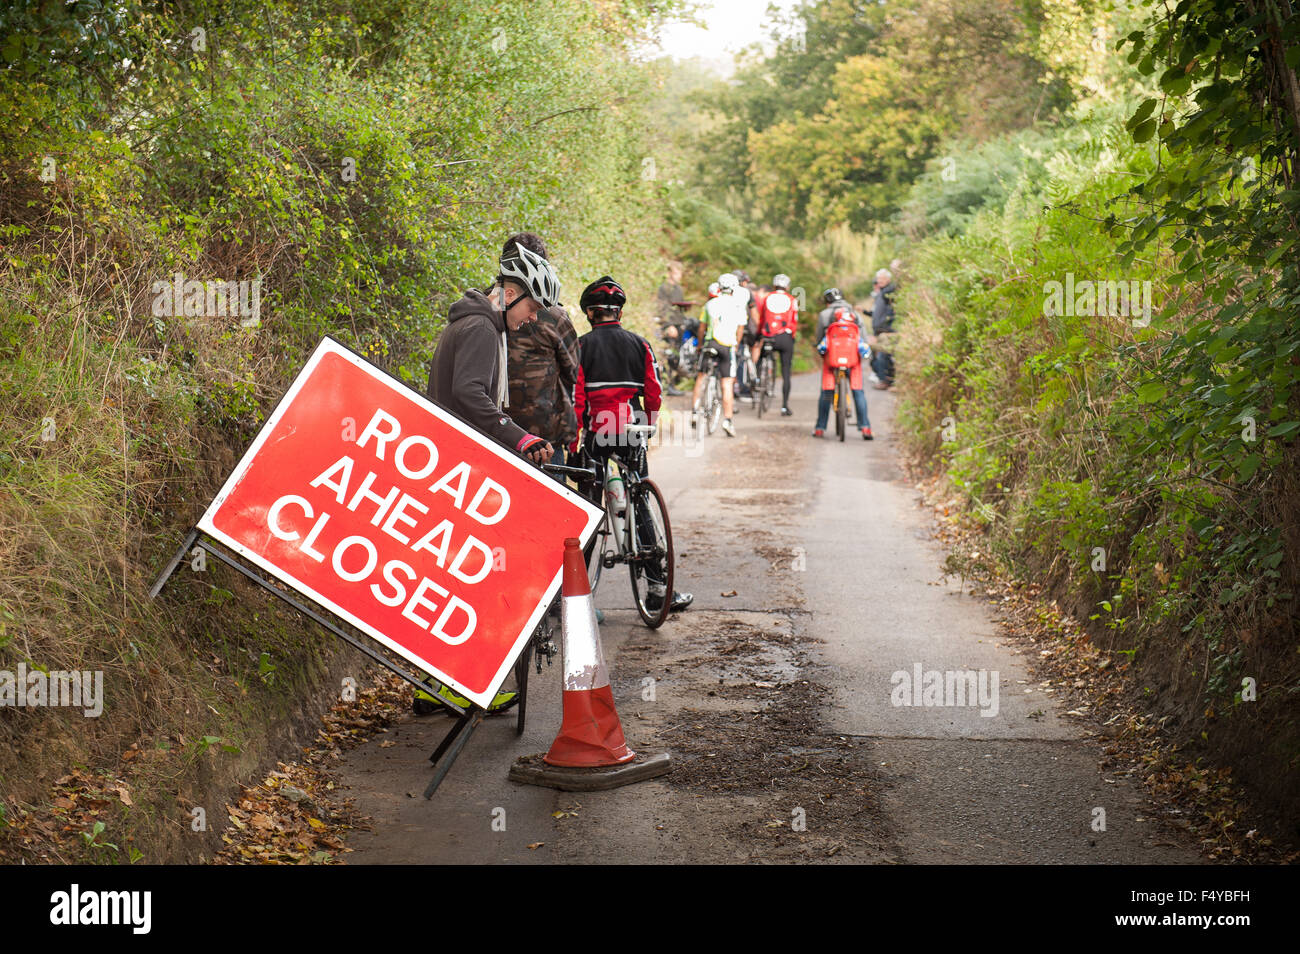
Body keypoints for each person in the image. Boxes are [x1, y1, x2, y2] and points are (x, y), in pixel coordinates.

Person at [417, 236, 562, 716]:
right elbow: (470, 393)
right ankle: (462, 685)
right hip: (458, 466)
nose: (533, 317)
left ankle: (430, 685)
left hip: (451, 460)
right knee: (468, 579)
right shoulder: (481, 327)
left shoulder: (474, 322)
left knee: (446, 576)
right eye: (533, 306)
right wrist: (521, 439)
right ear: (513, 292)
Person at [569, 276, 693, 614]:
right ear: (618, 312)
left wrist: (573, 438)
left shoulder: (581, 346)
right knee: (639, 495)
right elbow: (654, 392)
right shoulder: (640, 344)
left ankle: (576, 597)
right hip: (632, 426)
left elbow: (577, 398)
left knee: (590, 507)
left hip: (598, 429)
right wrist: (650, 423)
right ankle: (656, 587)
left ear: (591, 314)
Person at [693, 272, 746, 437]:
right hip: (727, 346)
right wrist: (736, 345)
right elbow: (740, 329)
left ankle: (695, 410)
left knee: (701, 376)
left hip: (710, 343)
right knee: (727, 383)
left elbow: (702, 328)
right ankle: (728, 420)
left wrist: (700, 345)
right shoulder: (738, 306)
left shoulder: (710, 304)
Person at [813, 306, 874, 440]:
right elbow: (865, 349)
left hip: (832, 364)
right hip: (852, 365)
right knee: (858, 392)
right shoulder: (854, 331)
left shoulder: (831, 330)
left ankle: (820, 428)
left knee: (826, 392)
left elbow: (822, 348)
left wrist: (822, 353)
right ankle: (865, 427)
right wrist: (867, 355)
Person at [753, 273, 798, 415]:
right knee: (786, 371)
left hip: (768, 336)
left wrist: (758, 335)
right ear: (788, 287)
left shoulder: (767, 298)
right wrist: (792, 337)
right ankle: (785, 406)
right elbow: (794, 321)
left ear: (774, 285)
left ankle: (758, 379)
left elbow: (762, 319)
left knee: (761, 359)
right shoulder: (792, 300)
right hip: (785, 337)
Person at [869, 267, 897, 389]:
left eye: (882, 278)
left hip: (887, 331)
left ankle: (885, 381)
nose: (879, 280)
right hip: (879, 331)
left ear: (888, 279)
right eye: (878, 278)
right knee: (878, 358)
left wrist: (896, 270)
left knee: (882, 357)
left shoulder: (888, 292)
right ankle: (886, 380)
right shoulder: (880, 294)